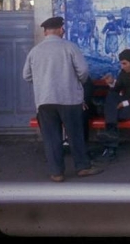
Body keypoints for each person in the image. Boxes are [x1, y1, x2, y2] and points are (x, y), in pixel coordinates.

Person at [22, 16, 103, 182]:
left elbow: (26, 76)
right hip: (69, 99)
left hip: (45, 100)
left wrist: (42, 83)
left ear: (45, 32)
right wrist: (76, 82)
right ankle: (82, 167)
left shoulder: (34, 51)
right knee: (75, 135)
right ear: (61, 30)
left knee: (51, 138)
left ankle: (56, 172)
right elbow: (84, 72)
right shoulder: (70, 47)